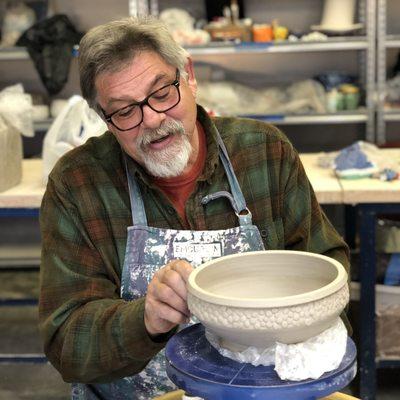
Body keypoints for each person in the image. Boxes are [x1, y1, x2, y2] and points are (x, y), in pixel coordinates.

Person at [39, 16, 350, 400]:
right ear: (104, 117)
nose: (151, 119)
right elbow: (66, 344)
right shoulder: (78, 183)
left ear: (187, 76)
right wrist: (145, 320)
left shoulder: (264, 152)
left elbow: (327, 272)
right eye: (124, 112)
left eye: (162, 92)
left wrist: (298, 353)